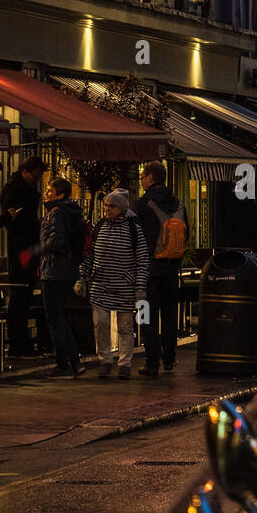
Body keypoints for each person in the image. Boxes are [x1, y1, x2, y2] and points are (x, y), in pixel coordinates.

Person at [81, 188, 149, 379]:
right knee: (100, 323)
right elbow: (91, 254)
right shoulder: (101, 226)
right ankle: (105, 360)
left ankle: (124, 363)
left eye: (112, 206)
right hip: (101, 284)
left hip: (124, 286)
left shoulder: (134, 229)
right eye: (106, 206)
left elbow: (142, 259)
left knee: (125, 327)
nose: (107, 209)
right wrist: (83, 276)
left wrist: (140, 287)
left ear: (122, 208)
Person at [22, 177, 86, 379]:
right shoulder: (66, 212)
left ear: (60, 195)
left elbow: (56, 242)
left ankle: (63, 364)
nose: (46, 193)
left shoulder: (56, 213)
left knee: (54, 319)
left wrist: (32, 252)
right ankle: (74, 363)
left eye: (50, 190)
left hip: (55, 270)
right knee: (59, 318)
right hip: (65, 270)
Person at [135, 161, 189, 377]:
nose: (140, 180)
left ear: (150, 178)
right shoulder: (178, 203)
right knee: (169, 315)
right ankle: (169, 358)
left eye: (142, 176)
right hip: (171, 268)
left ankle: (151, 362)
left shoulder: (142, 204)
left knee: (146, 315)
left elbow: (135, 238)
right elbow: (187, 233)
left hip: (147, 270)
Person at [0, 155, 45, 357]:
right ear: (26, 172)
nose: (36, 181)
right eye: (34, 177)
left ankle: (21, 342)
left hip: (25, 247)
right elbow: (14, 218)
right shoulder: (16, 189)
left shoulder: (19, 188)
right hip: (22, 249)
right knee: (21, 294)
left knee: (23, 295)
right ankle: (19, 343)